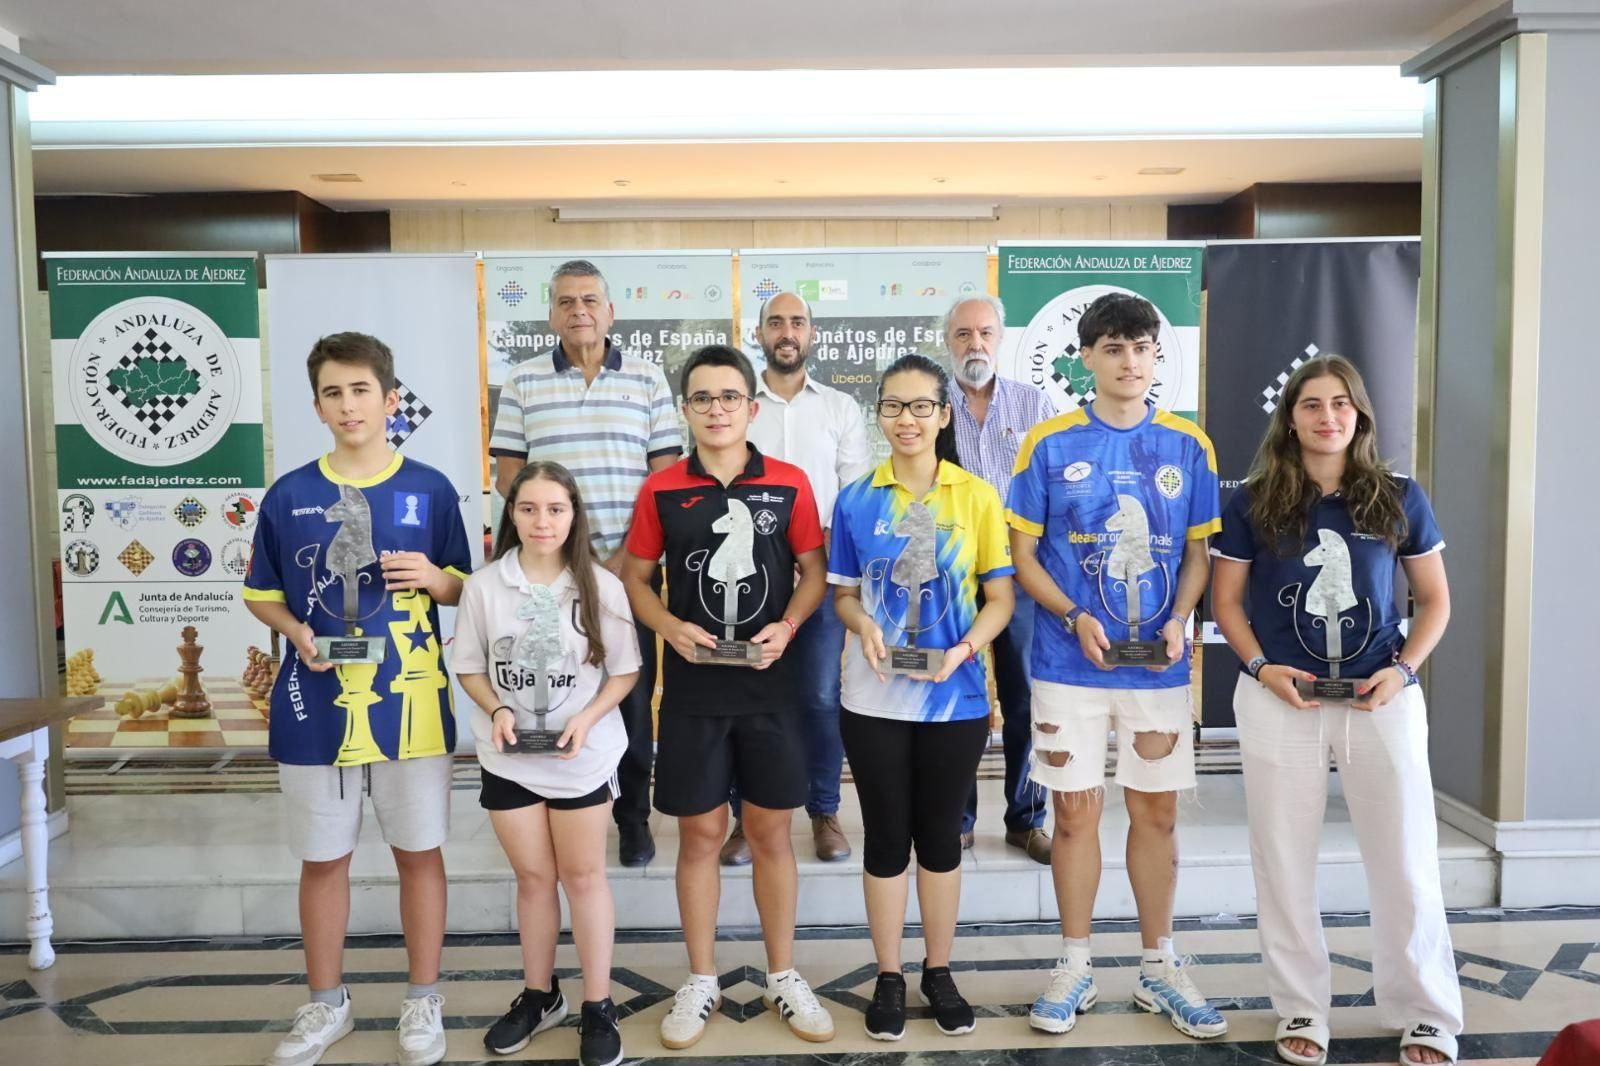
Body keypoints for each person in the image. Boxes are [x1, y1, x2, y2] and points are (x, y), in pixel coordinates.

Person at [1210, 355, 1461, 1066]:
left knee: (1407, 857)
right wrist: (1261, 668)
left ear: (1360, 417)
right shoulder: (1253, 501)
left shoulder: (1399, 496)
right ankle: (1300, 1008)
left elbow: (1435, 601)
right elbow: (1227, 603)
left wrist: (1403, 671)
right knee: (1283, 862)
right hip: (1279, 699)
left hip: (1381, 698)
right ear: (1290, 417)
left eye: (1341, 405)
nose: (1328, 417)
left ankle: (1426, 1011)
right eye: (1313, 404)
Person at [244, 332, 471, 1066]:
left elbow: (469, 587)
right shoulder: (291, 493)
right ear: (317, 405)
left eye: (362, 390)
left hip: (409, 703)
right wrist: (295, 632)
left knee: (419, 854)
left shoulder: (431, 488)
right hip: (316, 706)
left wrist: (436, 579)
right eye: (334, 393)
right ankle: (326, 1002)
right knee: (322, 860)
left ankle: (423, 998)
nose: (349, 405)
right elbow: (261, 595)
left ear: (390, 398)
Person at [1006, 293, 1227, 1041]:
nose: (1128, 361)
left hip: (1158, 668)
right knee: (1073, 812)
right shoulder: (1048, 442)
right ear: (1087, 359)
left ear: (1155, 356)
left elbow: (1198, 553)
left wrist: (1179, 619)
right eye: (1113, 348)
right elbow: (1023, 556)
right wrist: (1073, 615)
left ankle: (1159, 965)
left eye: (1140, 347)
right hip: (1069, 662)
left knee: (1156, 813)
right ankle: (1075, 965)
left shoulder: (1188, 446)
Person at [620, 345, 835, 1050]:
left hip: (774, 687)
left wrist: (790, 624)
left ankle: (782, 974)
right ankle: (702, 978)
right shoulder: (660, 491)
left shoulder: (790, 483)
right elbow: (635, 579)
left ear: (751, 406)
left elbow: (812, 572)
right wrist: (669, 627)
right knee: (702, 835)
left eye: (729, 397)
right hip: (692, 692)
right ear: (686, 409)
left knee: (772, 832)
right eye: (703, 398)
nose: (717, 409)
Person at [829, 354, 1015, 1041]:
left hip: (955, 699)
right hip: (872, 698)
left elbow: (1000, 597)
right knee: (883, 837)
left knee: (939, 837)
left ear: (944, 415)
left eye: (920, 407)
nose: (906, 420)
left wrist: (966, 650)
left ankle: (938, 970)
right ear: (879, 415)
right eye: (893, 407)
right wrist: (865, 626)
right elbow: (843, 594)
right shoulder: (857, 498)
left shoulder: (977, 496)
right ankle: (888, 975)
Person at [488, 259, 682, 868]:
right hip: (549, 566)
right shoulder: (521, 382)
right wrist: (558, 548)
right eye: (567, 302)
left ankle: (632, 817)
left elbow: (664, 476)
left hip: (631, 566)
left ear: (610, 311)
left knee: (628, 685)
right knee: (548, 680)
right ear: (551, 314)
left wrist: (627, 558)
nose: (579, 311)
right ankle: (546, 804)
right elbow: (509, 474)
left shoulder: (649, 380)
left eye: (590, 300)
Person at [452, 461, 640, 1066]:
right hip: (508, 758)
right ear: (511, 513)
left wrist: (587, 718)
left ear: (574, 515)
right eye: (528, 508)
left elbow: (626, 670)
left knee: (583, 877)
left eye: (555, 509)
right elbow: (471, 666)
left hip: (581, 759)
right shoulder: (486, 586)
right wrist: (496, 707)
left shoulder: (599, 586)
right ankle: (539, 995)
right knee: (534, 880)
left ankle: (598, 1004)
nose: (542, 521)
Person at [720, 290, 872, 866]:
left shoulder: (839, 408)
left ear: (812, 334)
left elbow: (854, 499)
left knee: (817, 696)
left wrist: (818, 558)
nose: (787, 331)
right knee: (747, 695)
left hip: (822, 576)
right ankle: (745, 819)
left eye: (798, 322)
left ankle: (824, 810)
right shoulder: (737, 404)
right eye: (776, 322)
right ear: (758, 333)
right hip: (747, 577)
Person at [944, 294, 1054, 862]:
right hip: (954, 579)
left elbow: (1055, 486)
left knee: (1026, 696)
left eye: (985, 333)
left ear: (1001, 338)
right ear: (948, 342)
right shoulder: (934, 406)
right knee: (961, 695)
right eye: (963, 335)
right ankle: (957, 819)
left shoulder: (1032, 403)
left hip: (1022, 571)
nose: (975, 344)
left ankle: (1026, 817)